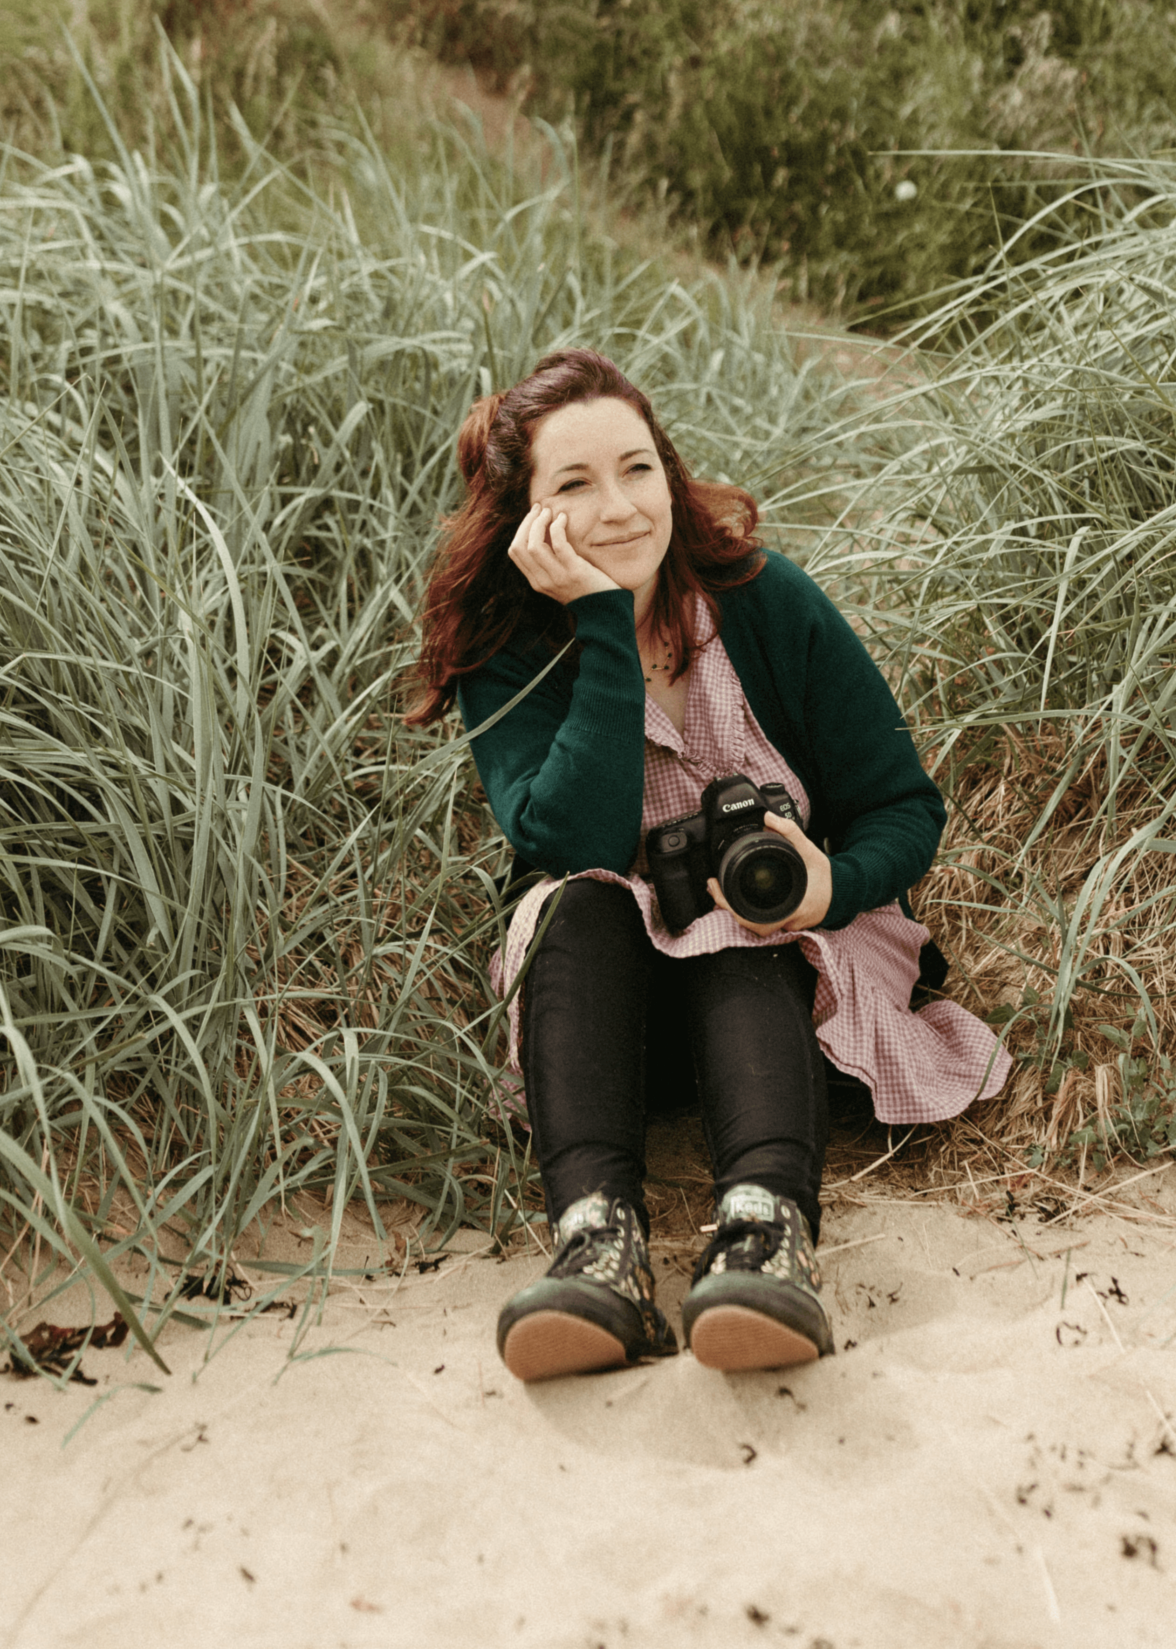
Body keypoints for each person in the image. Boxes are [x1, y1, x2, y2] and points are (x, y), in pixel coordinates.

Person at [407, 348, 1008, 1383]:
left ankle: (766, 1241)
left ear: (669, 471)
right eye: (574, 484)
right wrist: (602, 623)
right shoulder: (507, 649)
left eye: (637, 468)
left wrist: (829, 883)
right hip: (612, 1023)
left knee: (738, 918)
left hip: (788, 991)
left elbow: (902, 806)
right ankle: (597, 1251)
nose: (620, 507)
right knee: (577, 903)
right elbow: (572, 843)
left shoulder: (765, 602)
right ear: (526, 519)